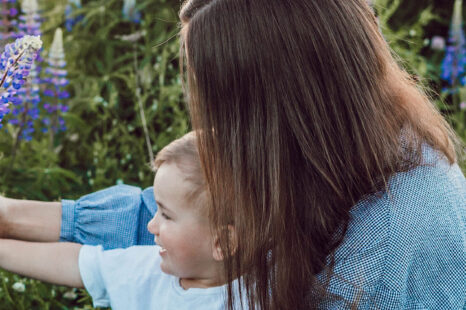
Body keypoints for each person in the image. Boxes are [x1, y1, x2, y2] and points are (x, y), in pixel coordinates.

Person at [0, 0, 465, 309]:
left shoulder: (373, 266)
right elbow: (188, 214)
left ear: (275, 111)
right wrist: (11, 217)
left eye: (225, 109)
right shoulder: (371, 144)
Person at [0, 132, 242, 309]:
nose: (151, 225)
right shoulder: (150, 269)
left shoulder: (265, 294)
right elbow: (78, 263)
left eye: (166, 215)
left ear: (221, 242)